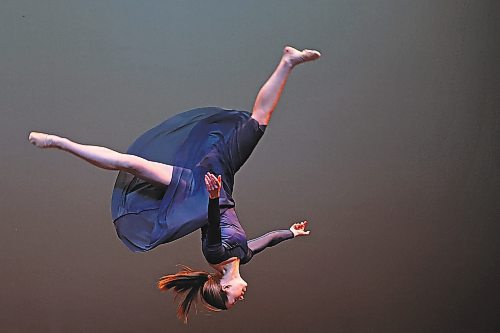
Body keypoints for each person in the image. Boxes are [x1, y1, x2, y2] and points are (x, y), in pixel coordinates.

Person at [28, 45, 320, 322]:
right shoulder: (242, 256)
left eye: (233, 300)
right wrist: (290, 234)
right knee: (258, 120)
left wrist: (213, 194)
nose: (241, 297)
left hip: (196, 190)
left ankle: (60, 143)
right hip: (217, 181)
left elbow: (215, 221)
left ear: (223, 289)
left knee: (130, 163)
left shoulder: (216, 255)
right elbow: (266, 240)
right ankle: (288, 61)